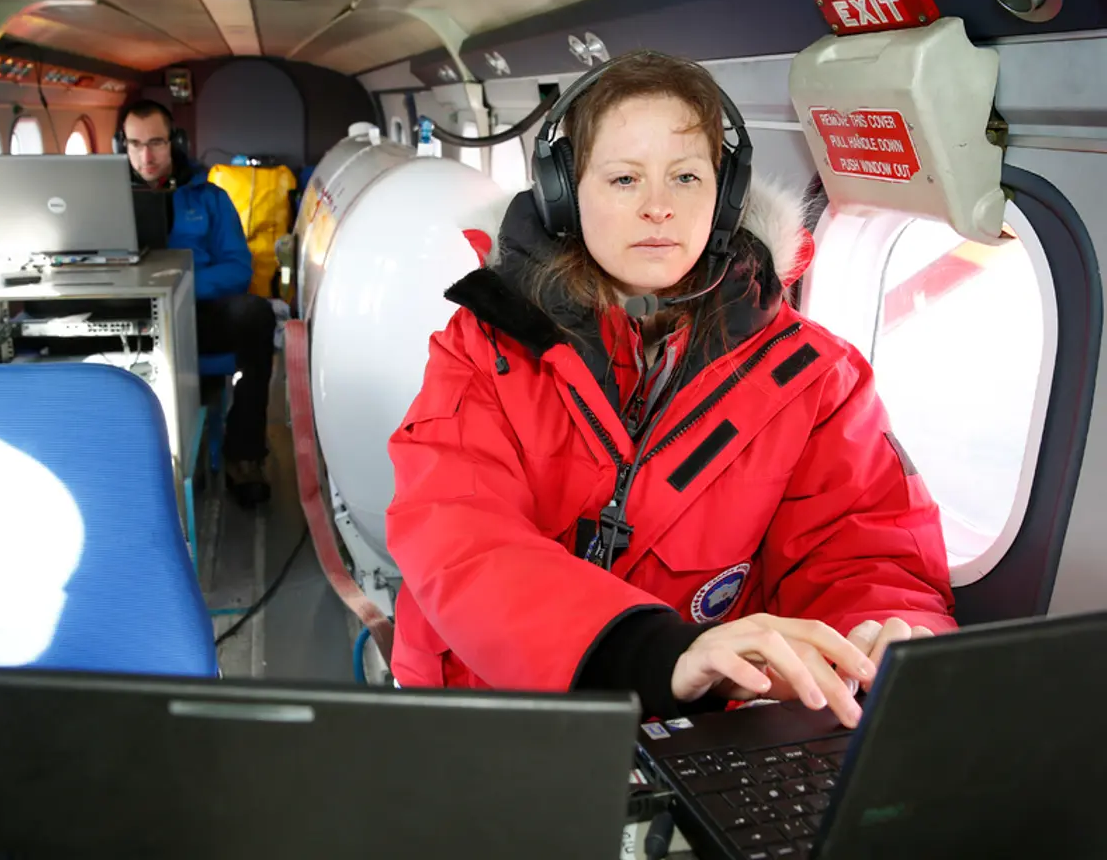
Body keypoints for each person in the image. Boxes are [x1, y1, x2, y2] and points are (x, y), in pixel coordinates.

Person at [384, 51, 955, 727]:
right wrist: (653, 654)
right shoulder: (486, 348)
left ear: (726, 194)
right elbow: (460, 535)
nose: (658, 208)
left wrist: (880, 637)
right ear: (563, 194)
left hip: (702, 734)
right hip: (498, 715)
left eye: (686, 176)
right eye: (624, 179)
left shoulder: (817, 378)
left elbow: (866, 550)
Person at [118, 99, 275, 507]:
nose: (145, 156)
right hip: (126, 315)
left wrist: (179, 286)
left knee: (255, 316)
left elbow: (238, 268)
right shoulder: (102, 196)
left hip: (196, 314)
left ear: (176, 142)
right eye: (134, 144)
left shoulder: (209, 197)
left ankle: (244, 455)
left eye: (155, 143)